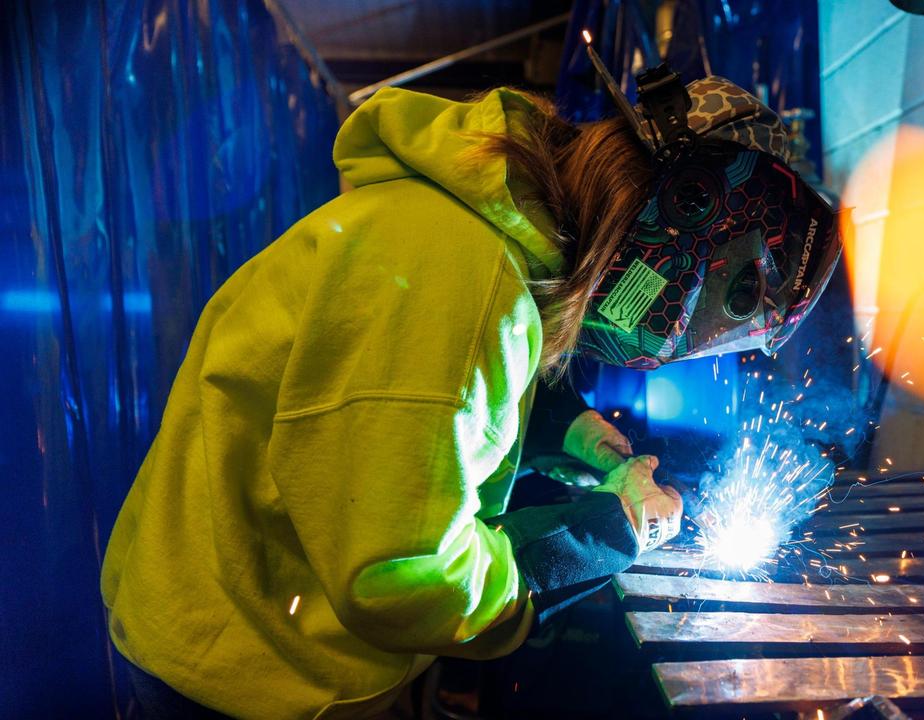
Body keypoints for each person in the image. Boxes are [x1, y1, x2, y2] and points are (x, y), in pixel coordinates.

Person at [100, 55, 840, 719]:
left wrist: (575, 437)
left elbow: (434, 409)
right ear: (688, 211)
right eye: (730, 302)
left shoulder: (478, 238)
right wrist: (611, 530)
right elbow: (407, 578)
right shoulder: (459, 278)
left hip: (237, 632)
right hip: (239, 679)